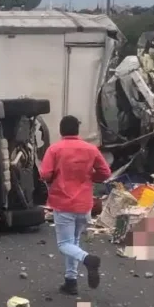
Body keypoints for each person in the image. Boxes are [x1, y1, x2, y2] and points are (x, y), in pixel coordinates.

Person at [38, 115, 111, 296]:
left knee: (64, 244)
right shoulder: (91, 149)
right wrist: (90, 178)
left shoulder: (54, 150)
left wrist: (54, 176)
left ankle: (87, 259)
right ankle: (70, 281)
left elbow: (45, 174)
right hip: (84, 204)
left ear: (61, 131)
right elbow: (105, 172)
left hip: (63, 203)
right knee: (74, 242)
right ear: (77, 130)